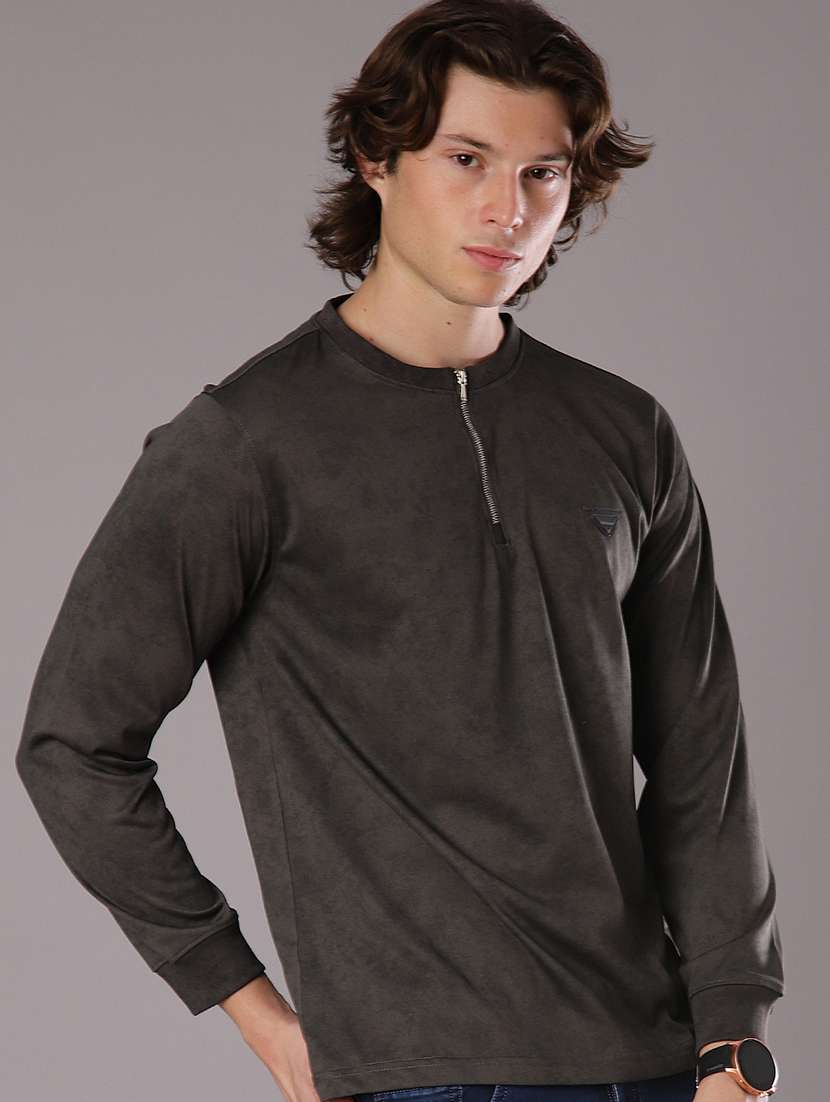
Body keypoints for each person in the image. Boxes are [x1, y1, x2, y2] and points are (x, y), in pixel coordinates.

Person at [15, 2, 784, 1101]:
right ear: (377, 157)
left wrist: (734, 1038)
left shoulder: (625, 431)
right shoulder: (245, 444)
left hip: (664, 1063)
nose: (507, 209)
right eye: (466, 159)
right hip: (422, 1078)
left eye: (542, 173)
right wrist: (260, 1014)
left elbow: (701, 754)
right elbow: (73, 744)